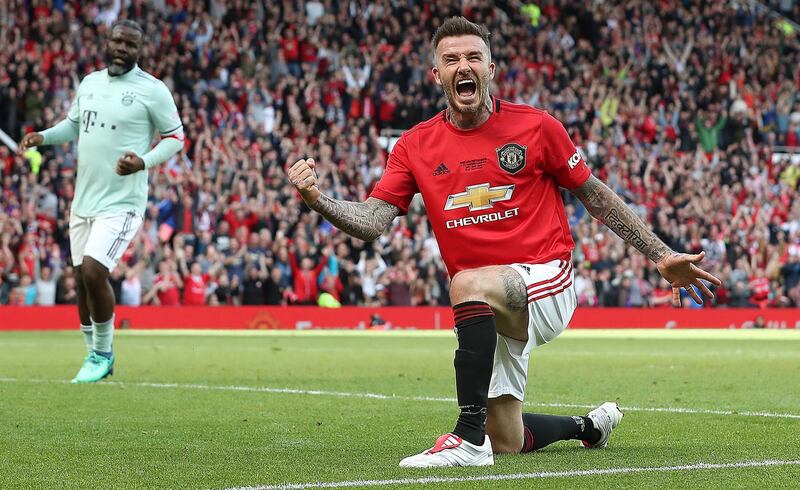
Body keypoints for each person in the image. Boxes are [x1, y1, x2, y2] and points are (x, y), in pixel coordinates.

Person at [286, 17, 722, 468]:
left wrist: (661, 253)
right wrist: (319, 200)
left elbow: (595, 196)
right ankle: (589, 426)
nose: (463, 66)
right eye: (451, 59)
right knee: (508, 438)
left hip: (546, 278)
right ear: (436, 75)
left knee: (467, 285)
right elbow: (374, 219)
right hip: (488, 306)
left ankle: (466, 440)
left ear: (490, 69)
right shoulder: (414, 145)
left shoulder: (536, 127)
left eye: (473, 57)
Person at [17, 20, 184, 383]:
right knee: (81, 279)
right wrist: (42, 137)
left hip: (122, 202)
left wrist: (144, 161)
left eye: (131, 44)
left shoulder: (153, 90)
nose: (122, 48)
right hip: (84, 201)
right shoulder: (90, 82)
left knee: (95, 269)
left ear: (140, 51)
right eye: (117, 41)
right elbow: (73, 125)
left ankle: (103, 354)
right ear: (107, 43)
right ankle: (93, 355)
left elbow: (175, 137)